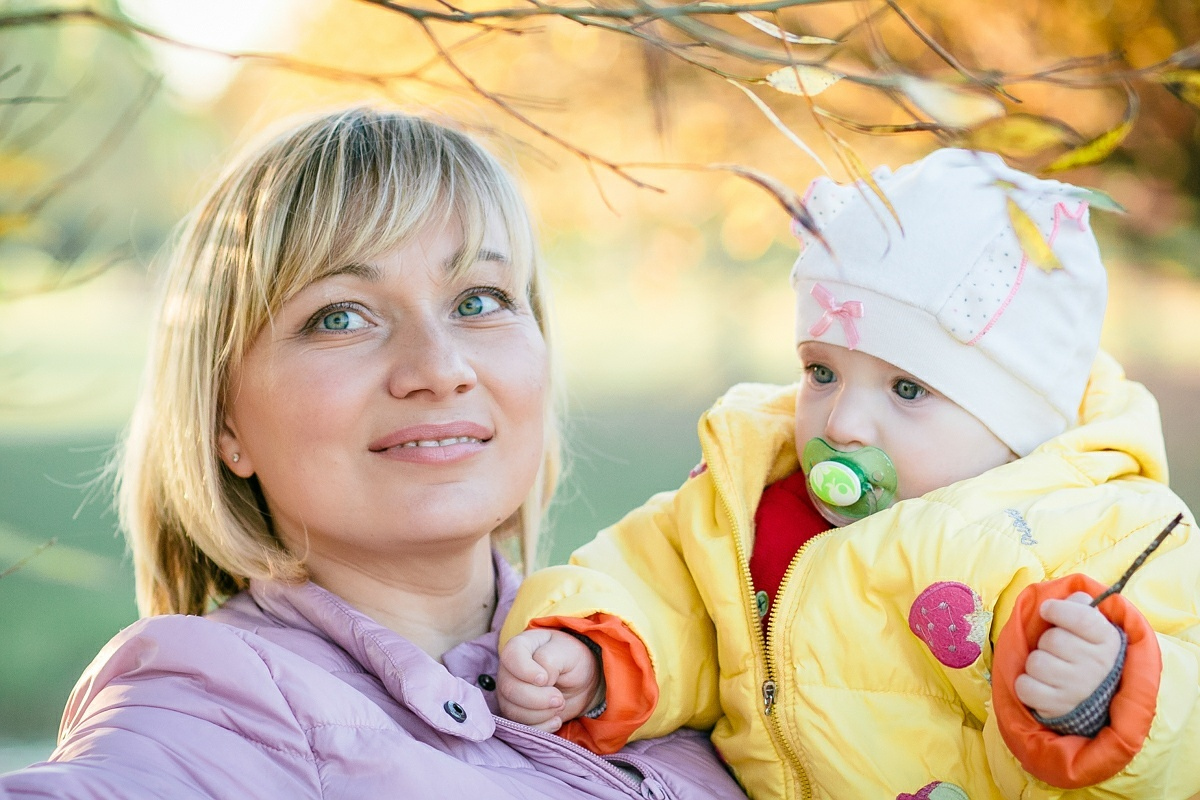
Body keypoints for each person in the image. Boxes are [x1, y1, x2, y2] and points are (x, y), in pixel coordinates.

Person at [0, 107, 747, 800]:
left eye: (480, 300)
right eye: (340, 316)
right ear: (226, 421)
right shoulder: (210, 702)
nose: (439, 366)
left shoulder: (662, 636)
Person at [496, 149, 1200, 799]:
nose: (843, 425)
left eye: (907, 389)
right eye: (822, 373)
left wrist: (1112, 690)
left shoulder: (1100, 528)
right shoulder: (749, 506)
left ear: (1019, 423)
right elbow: (662, 595)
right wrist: (595, 655)